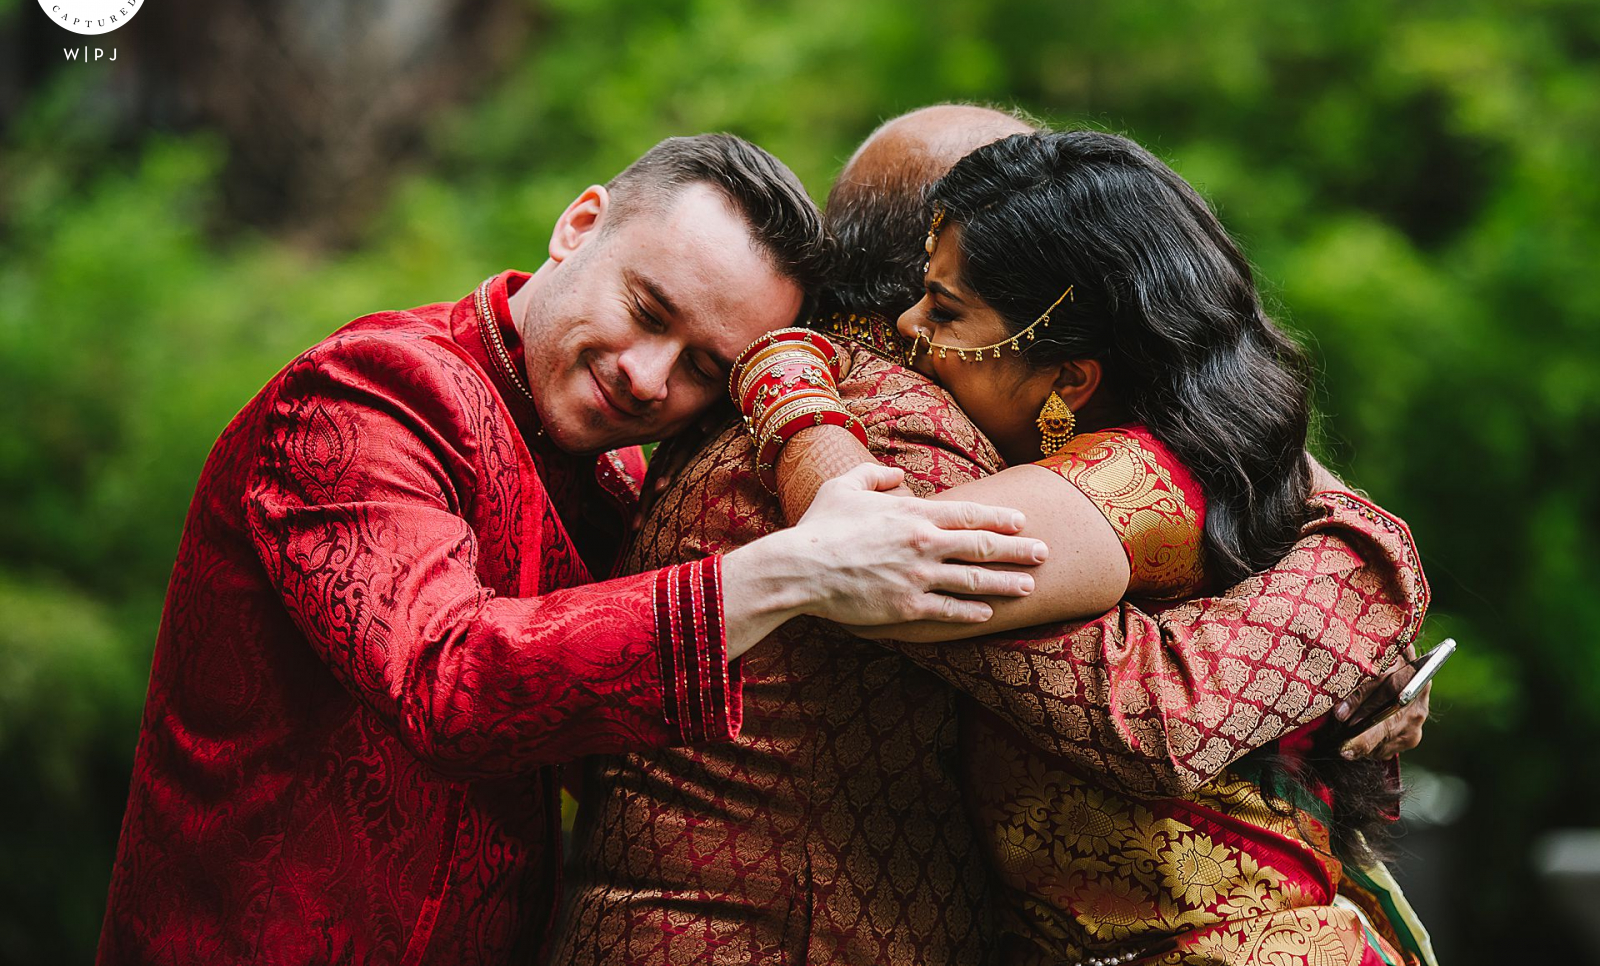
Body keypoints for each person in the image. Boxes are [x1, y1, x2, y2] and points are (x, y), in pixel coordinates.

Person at [94, 134, 1047, 966]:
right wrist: (792, 568)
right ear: (578, 224)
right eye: (647, 308)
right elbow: (447, 679)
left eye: (704, 369)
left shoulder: (610, 479)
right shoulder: (365, 393)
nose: (645, 376)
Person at [553, 109, 1431, 966]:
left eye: (947, 307)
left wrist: (1350, 607)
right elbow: (1150, 708)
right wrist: (1365, 565)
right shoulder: (900, 424)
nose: (916, 328)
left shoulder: (882, 402)